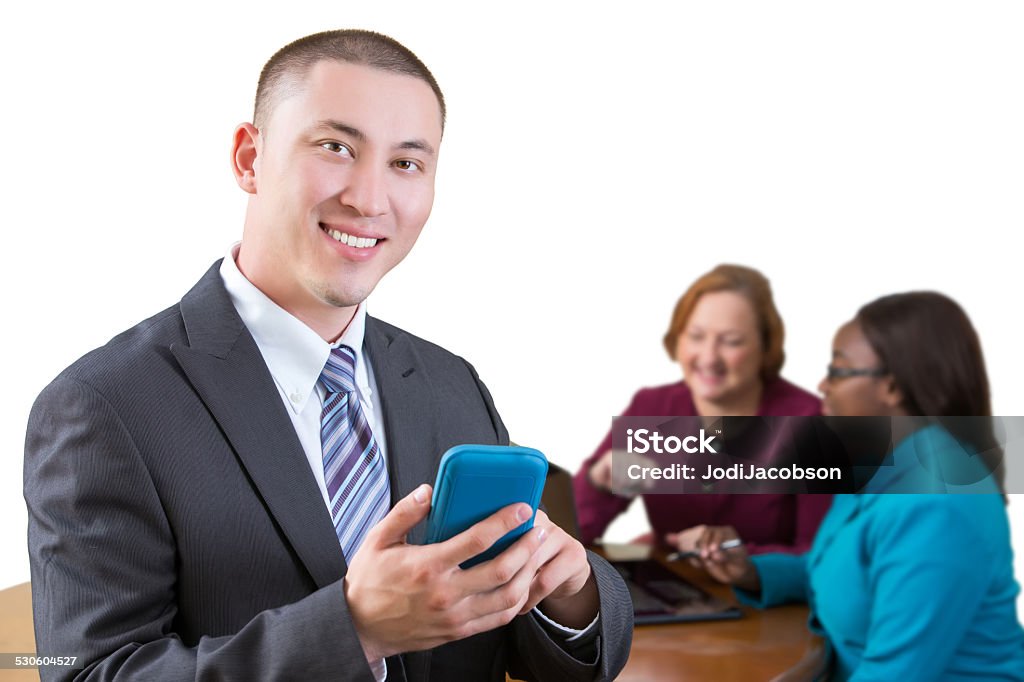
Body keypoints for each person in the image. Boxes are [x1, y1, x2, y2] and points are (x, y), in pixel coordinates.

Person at [24, 30, 631, 682]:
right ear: (249, 158)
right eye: (335, 147)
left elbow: (525, 647)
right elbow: (90, 674)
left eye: (406, 164)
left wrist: (571, 597)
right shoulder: (103, 408)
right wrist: (356, 629)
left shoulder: (453, 385)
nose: (369, 200)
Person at [691, 292, 1024, 680]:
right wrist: (751, 571)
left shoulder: (937, 505)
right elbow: (854, 571)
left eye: (838, 371)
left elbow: (894, 674)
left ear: (894, 387)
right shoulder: (885, 464)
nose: (821, 385)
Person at [573, 264, 831, 557]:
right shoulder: (651, 408)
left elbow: (826, 557)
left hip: (766, 602)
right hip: (672, 591)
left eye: (731, 341)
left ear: (766, 346)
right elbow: (570, 533)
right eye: (696, 336)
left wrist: (744, 556)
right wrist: (597, 483)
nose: (708, 357)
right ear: (677, 339)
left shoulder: (812, 423)